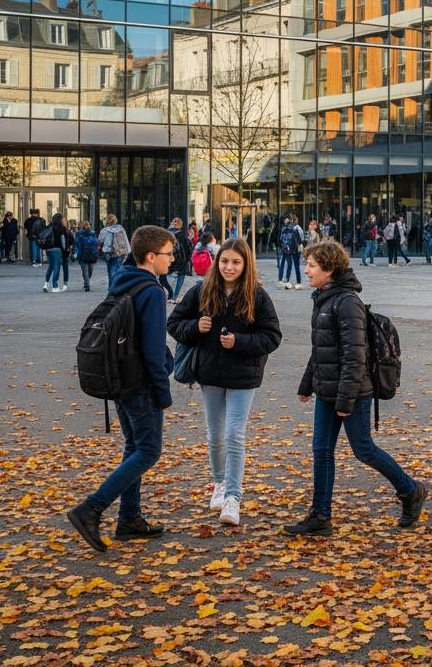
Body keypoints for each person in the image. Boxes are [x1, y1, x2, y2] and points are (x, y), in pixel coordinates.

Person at [285, 239, 427, 536]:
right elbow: (322, 348)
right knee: (321, 450)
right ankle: (320, 515)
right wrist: (307, 383)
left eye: (311, 265)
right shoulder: (324, 297)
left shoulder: (347, 302)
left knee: (363, 449)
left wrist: (345, 400)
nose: (306, 270)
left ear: (329, 269)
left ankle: (411, 490)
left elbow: (355, 356)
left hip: (352, 392)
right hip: (328, 390)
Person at [66, 226, 176, 551]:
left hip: (120, 380)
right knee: (148, 450)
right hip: (140, 383)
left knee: (134, 446)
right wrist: (163, 392)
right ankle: (91, 509)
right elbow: (154, 350)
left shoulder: (123, 283)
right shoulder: (153, 291)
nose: (172, 259)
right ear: (151, 257)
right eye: (169, 254)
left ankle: (129, 518)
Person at [167, 238, 282, 526]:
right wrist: (196, 327)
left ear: (246, 266)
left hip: (244, 376)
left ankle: (233, 496)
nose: (229, 267)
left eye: (236, 262)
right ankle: (219, 483)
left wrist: (239, 342)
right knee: (215, 435)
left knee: (234, 434)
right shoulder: (202, 290)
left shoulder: (257, 295)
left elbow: (272, 336)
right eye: (225, 261)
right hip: (210, 374)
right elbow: (174, 324)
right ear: (217, 263)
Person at [41, 213, 71, 293]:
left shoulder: (49, 226)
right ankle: (55, 286)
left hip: (48, 249)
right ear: (60, 219)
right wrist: (65, 249)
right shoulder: (60, 228)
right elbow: (63, 241)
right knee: (56, 267)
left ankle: (46, 284)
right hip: (57, 249)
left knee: (50, 266)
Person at [100, 214, 131, 287]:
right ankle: (115, 288)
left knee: (110, 271)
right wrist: (128, 251)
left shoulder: (104, 230)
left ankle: (112, 288)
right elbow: (125, 240)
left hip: (108, 253)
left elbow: (100, 240)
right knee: (116, 271)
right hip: (119, 253)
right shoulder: (121, 229)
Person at [167, 217, 193, 302]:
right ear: (180, 225)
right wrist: (188, 259)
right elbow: (188, 248)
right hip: (181, 260)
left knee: (165, 277)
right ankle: (174, 296)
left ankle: (170, 294)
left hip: (170, 259)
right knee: (180, 277)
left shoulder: (166, 233)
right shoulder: (182, 235)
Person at [279, 214, 305, 289]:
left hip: (287, 249)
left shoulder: (284, 228)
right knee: (297, 266)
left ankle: (287, 281)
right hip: (295, 249)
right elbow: (301, 240)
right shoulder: (296, 228)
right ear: (294, 220)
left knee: (289, 266)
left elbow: (281, 239)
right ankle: (298, 282)